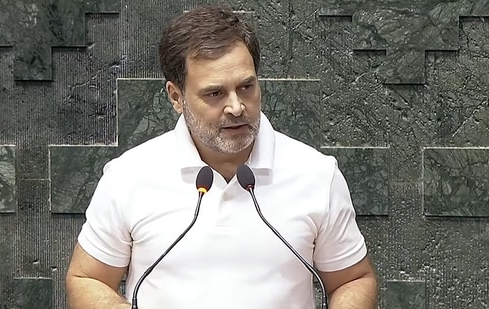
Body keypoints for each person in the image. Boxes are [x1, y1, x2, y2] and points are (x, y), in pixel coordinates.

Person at [66, 6, 378, 309]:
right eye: (215, 93)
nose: (236, 107)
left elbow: (352, 280)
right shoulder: (128, 177)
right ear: (176, 96)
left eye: (246, 87)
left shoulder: (316, 175)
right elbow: (87, 279)